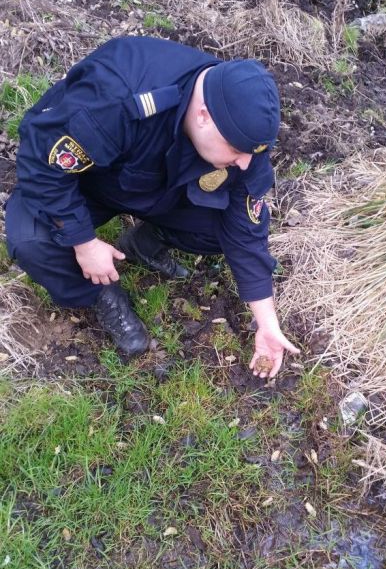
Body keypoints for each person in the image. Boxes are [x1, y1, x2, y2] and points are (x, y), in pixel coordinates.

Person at [5, 36, 299, 378]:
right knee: (30, 241)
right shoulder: (117, 96)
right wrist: (83, 242)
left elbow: (246, 228)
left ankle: (143, 243)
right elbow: (43, 164)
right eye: (238, 151)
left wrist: (267, 324)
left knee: (221, 231)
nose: (246, 163)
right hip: (86, 185)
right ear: (204, 116)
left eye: (253, 153)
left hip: (159, 189)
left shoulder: (239, 128)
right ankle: (100, 293)